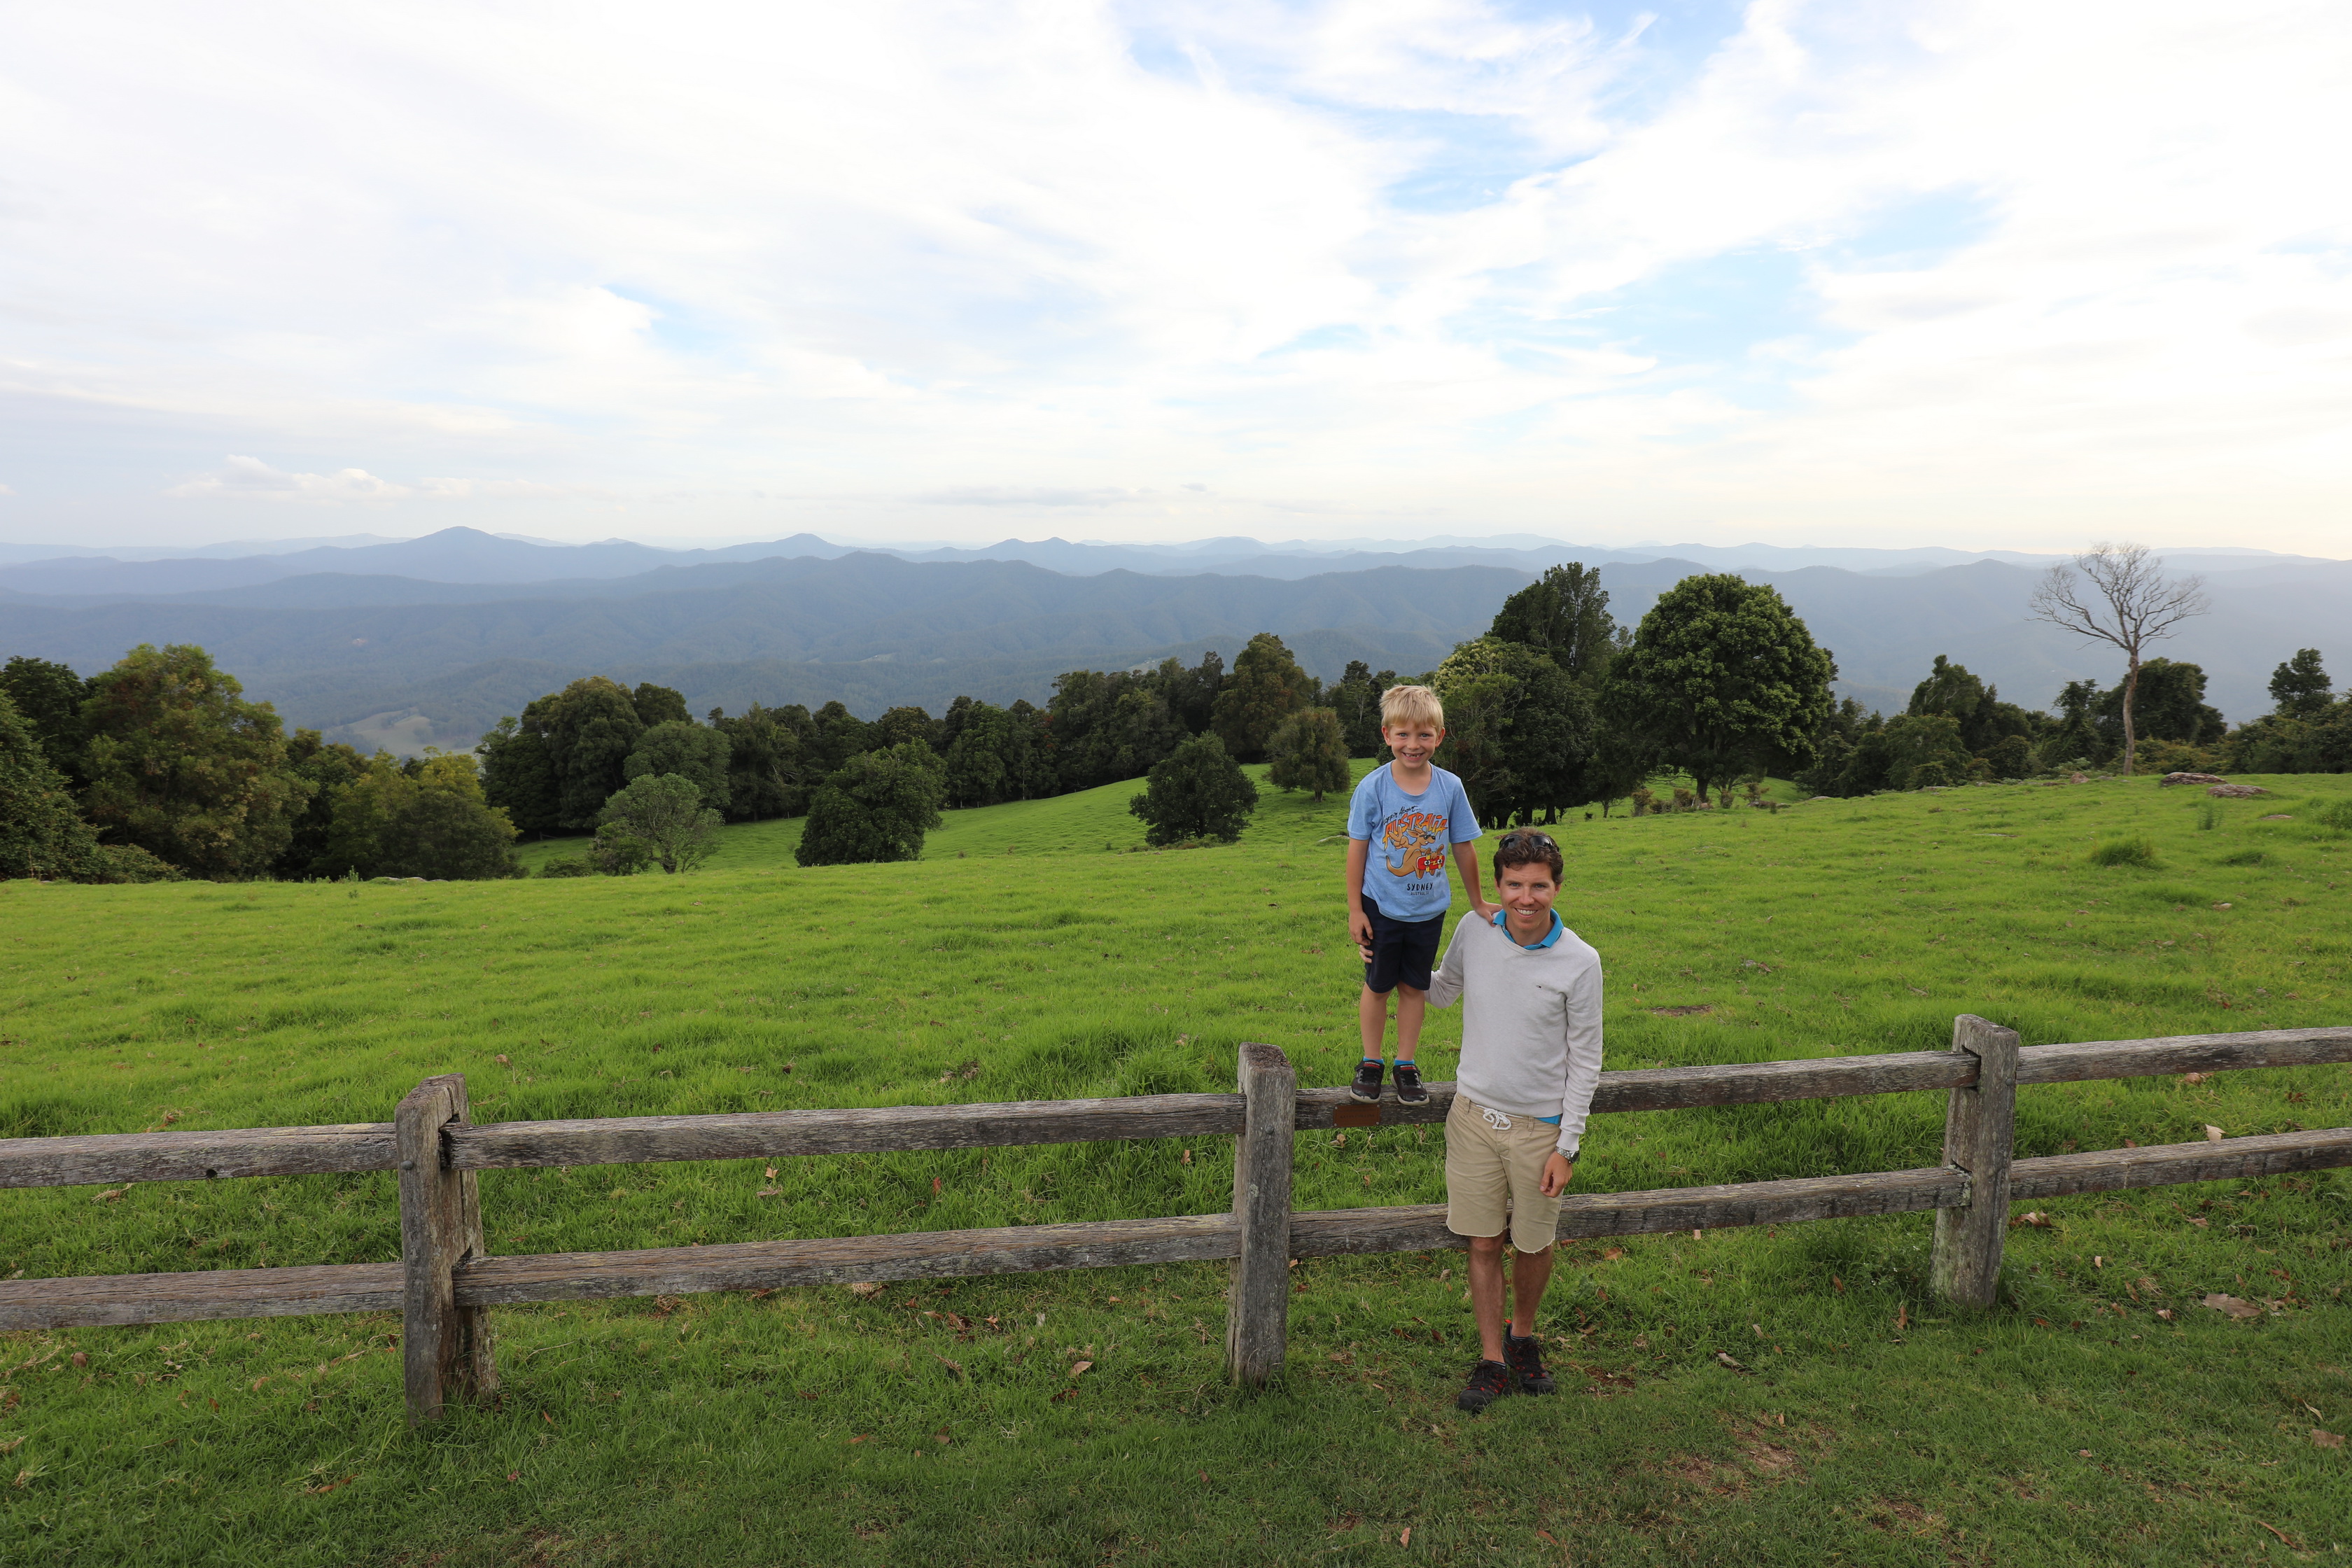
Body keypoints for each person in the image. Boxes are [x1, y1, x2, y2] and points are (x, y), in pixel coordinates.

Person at [1424, 829, 1603, 1412]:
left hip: (1540, 1130)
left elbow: (1587, 1057)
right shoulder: (1475, 929)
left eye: (1539, 886)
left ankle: (1522, 1336)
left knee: (1533, 1241)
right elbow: (1444, 992)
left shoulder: (1580, 961)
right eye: (1514, 885)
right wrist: (1390, 962)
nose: (1526, 898)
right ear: (1497, 886)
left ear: (1557, 887)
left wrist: (1567, 1146)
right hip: (1473, 1116)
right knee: (1482, 1241)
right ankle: (1490, 1357)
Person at [1344, 685, 1489, 1107]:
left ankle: (1405, 1063)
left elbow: (1463, 845)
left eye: (1424, 735)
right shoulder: (1373, 789)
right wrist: (1356, 909)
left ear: (1439, 737)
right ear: (1386, 735)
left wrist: (1479, 902)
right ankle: (1371, 1061)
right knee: (1378, 985)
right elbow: (1358, 850)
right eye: (1403, 734)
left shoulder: (1450, 787)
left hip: (1429, 910)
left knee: (1414, 987)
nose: (1413, 744)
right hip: (1382, 907)